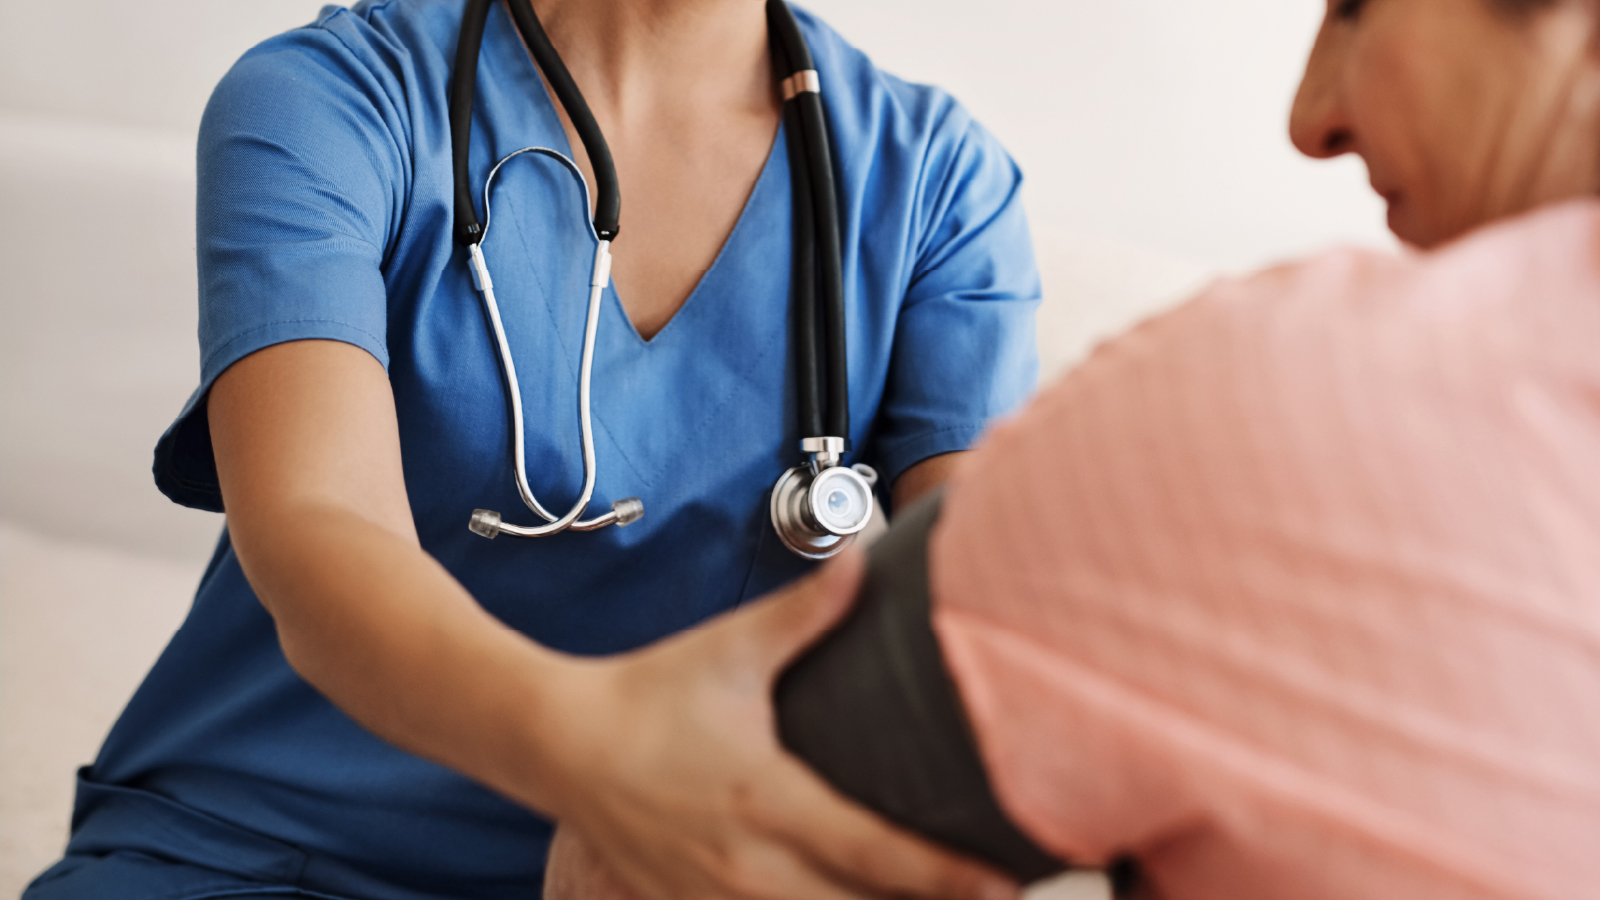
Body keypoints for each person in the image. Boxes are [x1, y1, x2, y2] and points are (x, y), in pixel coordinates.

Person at [552, 0, 1600, 897]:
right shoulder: (394, 86)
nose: (1309, 121)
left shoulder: (1287, 395)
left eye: (1357, 4)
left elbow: (614, 862)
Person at [21, 1, 1040, 899]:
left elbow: (987, 616)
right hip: (261, 848)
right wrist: (603, 766)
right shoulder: (333, 99)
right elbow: (316, 525)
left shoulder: (938, 187)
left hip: (681, 869)